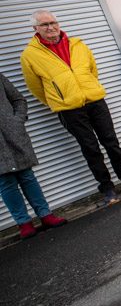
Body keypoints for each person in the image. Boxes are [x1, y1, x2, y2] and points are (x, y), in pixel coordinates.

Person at [21, 10, 121, 206]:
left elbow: (92, 70)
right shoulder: (30, 55)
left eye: (53, 22)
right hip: (69, 109)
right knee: (90, 148)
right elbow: (35, 87)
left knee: (111, 141)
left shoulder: (77, 44)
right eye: (45, 24)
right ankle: (107, 188)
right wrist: (59, 100)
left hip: (95, 101)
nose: (51, 27)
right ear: (35, 28)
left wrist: (89, 89)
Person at [0, 73, 67, 239]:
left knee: (27, 175)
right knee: (5, 181)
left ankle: (46, 215)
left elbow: (19, 99)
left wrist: (17, 121)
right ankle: (24, 223)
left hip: (13, 134)